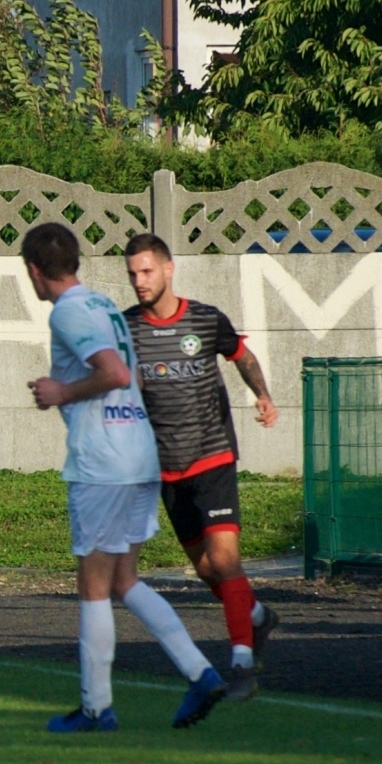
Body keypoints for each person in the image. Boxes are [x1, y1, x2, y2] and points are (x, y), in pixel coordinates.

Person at [22, 223, 226, 731]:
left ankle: (96, 708)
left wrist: (60, 393)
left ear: (32, 271)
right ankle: (199, 673)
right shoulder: (104, 305)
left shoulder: (68, 311)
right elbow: (127, 375)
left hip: (104, 462)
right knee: (123, 580)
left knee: (93, 586)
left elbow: (113, 372)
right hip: (138, 452)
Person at [122, 233, 281, 701]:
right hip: (164, 467)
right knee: (207, 569)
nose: (139, 281)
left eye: (147, 271)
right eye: (132, 273)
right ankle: (255, 616)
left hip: (212, 456)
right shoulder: (126, 327)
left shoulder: (206, 320)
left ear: (169, 269)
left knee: (226, 559)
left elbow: (242, 355)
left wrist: (264, 395)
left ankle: (242, 663)